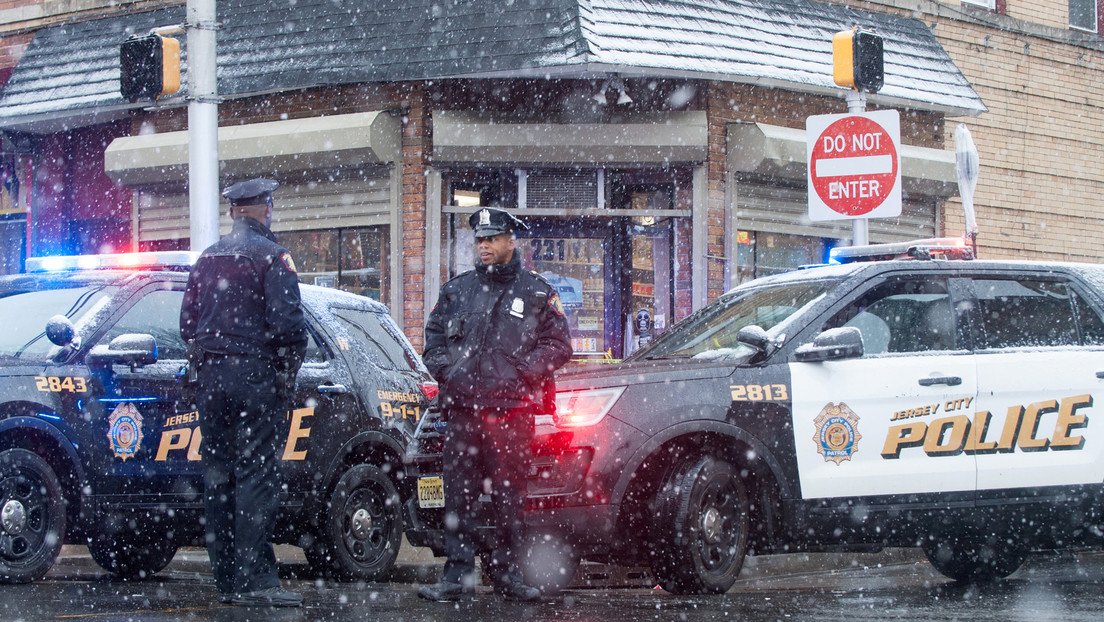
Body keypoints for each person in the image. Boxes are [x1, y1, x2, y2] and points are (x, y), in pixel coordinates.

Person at [418, 207, 573, 602]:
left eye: (492, 238)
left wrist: (523, 373)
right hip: (463, 413)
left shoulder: (536, 292)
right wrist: (447, 373)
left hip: (510, 415)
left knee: (509, 499)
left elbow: (559, 345)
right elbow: (433, 341)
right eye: (480, 239)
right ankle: (457, 576)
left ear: (510, 241)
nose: (484, 246)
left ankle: (507, 574)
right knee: (459, 496)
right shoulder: (457, 290)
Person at [180, 178, 308, 608]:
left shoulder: (208, 257)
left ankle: (228, 577)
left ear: (234, 211)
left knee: (218, 473)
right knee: (256, 474)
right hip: (253, 376)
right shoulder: (274, 258)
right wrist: (283, 379)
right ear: (265, 208)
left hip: (211, 377)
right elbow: (290, 328)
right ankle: (254, 578)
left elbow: (187, 323)